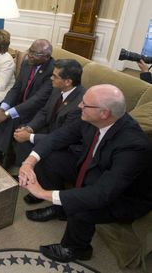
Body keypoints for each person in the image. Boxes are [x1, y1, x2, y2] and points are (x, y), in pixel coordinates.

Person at [18, 84, 152, 263]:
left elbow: (101, 194)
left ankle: (76, 248)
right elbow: (57, 137)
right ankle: (60, 209)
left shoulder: (133, 146)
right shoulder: (91, 118)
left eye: (85, 104)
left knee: (82, 205)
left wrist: (42, 193)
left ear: (104, 113)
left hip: (125, 196)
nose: (80, 105)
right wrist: (29, 162)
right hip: (94, 168)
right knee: (49, 157)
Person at [0, 39, 55, 169]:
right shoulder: (27, 63)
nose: (30, 55)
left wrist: (8, 113)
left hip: (36, 110)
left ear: (46, 57)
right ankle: (0, 148)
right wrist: (3, 108)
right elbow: (16, 88)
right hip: (22, 102)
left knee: (13, 118)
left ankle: (5, 153)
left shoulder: (52, 70)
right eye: (30, 50)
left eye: (35, 54)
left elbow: (37, 100)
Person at [13, 59, 85, 174]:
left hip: (65, 143)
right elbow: (45, 112)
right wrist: (29, 128)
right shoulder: (58, 89)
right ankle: (28, 174)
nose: (51, 78)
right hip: (50, 129)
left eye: (55, 76)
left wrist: (30, 136)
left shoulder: (79, 105)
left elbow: (63, 136)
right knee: (20, 131)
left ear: (67, 82)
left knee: (38, 147)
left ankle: (45, 185)